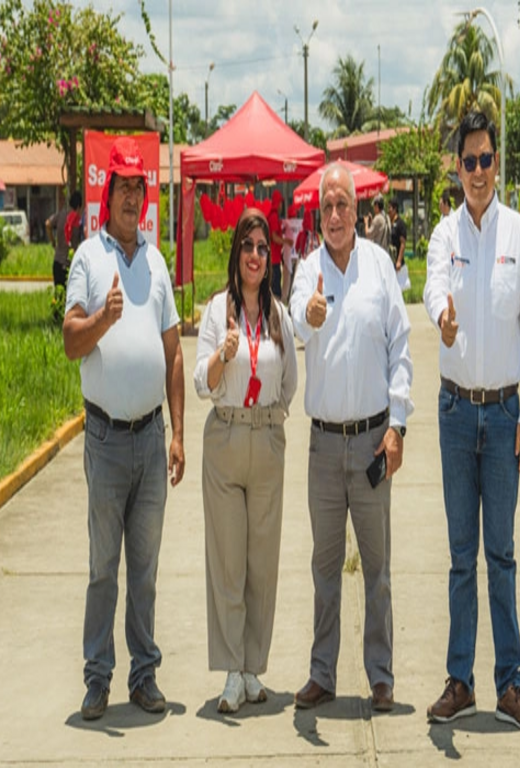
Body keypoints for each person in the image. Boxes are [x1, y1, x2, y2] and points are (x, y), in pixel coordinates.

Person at [423, 110, 520, 731]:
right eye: (468, 161)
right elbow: (433, 291)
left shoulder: (518, 235)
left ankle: (511, 685)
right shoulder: (445, 235)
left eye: (486, 160)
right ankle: (459, 681)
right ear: (458, 167)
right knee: (460, 555)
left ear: (499, 164)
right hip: (452, 412)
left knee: (501, 552)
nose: (477, 171)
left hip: (501, 418)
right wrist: (442, 319)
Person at [63, 136, 186, 721]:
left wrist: (178, 433)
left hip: (150, 435)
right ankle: (96, 679)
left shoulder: (157, 262)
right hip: (107, 439)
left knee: (146, 566)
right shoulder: (89, 258)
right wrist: (102, 320)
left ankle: (144, 675)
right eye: (124, 187)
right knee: (102, 567)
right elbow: (70, 342)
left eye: (141, 187)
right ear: (108, 193)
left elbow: (174, 354)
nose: (133, 197)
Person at [289, 162, 413, 713]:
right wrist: (310, 315)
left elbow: (400, 350)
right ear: (319, 215)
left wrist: (398, 426)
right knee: (324, 567)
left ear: (357, 210)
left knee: (378, 568)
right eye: (327, 207)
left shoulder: (380, 266)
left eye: (343, 204)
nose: (335, 215)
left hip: (370, 442)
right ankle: (323, 673)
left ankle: (381, 675)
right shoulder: (306, 269)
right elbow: (293, 321)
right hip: (322, 446)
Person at [194, 207, 298, 714]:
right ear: (235, 254)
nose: (255, 256)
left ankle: (254, 666)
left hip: (266, 439)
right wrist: (222, 355)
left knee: (262, 563)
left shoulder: (279, 314)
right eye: (247, 246)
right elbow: (200, 382)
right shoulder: (217, 311)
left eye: (263, 248)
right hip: (226, 438)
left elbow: (291, 380)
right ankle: (232, 670)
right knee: (228, 561)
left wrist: (274, 420)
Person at [46, 192, 71, 292]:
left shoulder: (61, 214)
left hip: (57, 262)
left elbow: (48, 224)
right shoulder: (77, 217)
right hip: (68, 264)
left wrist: (53, 242)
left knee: (58, 296)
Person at [267, 189, 285, 299]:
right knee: (276, 288)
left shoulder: (272, 215)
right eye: (281, 203)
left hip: (274, 257)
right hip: (274, 259)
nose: (282, 206)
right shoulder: (273, 217)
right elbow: (274, 237)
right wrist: (286, 241)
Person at [388, 198, 407, 271]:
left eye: (390, 208)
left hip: (397, 260)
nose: (388, 210)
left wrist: (399, 260)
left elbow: (403, 243)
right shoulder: (390, 223)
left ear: (395, 209)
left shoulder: (400, 223)